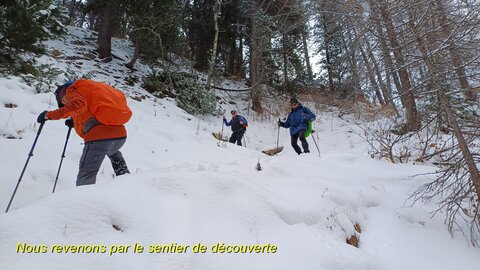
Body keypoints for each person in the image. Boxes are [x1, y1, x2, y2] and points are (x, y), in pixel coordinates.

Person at [36, 79, 132, 186]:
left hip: (99, 139)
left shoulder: (71, 90)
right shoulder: (89, 91)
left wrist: (48, 115)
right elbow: (87, 111)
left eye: (63, 100)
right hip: (119, 136)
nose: (65, 103)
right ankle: (126, 184)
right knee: (113, 152)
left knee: (86, 174)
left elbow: (78, 106)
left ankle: (82, 200)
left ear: (63, 92)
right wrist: (74, 121)